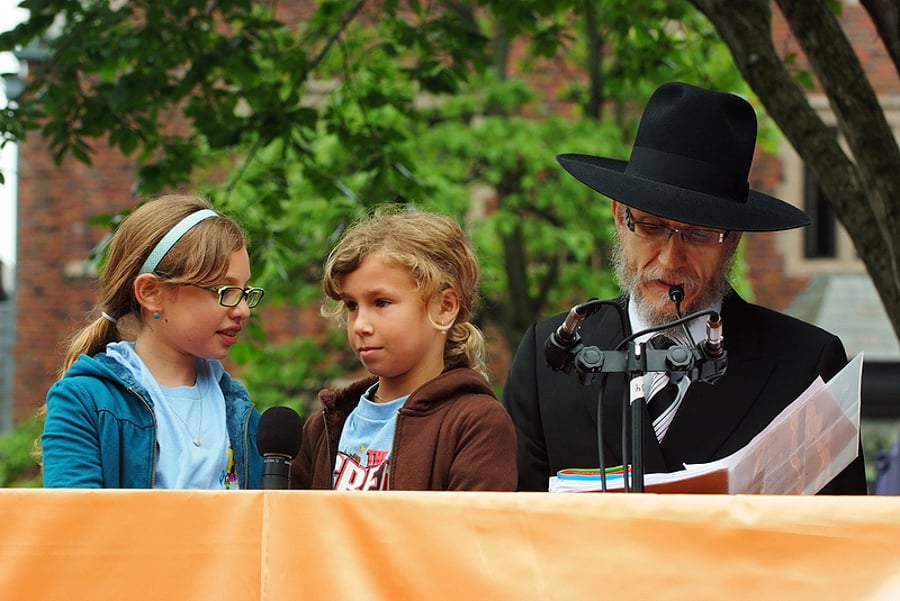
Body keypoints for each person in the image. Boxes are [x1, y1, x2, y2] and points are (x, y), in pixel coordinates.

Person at [502, 81, 867, 494]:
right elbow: (513, 529)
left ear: (732, 239)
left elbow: (838, 537)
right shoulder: (548, 357)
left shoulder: (804, 365)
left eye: (697, 235)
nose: (670, 260)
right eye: (652, 227)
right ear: (620, 217)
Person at [40, 194, 265, 488]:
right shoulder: (83, 402)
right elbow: (75, 525)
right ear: (151, 293)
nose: (243, 310)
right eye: (224, 290)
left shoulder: (243, 414)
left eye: (246, 291)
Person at [290, 206, 517, 491]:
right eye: (351, 306)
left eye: (381, 303)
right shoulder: (323, 426)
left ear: (444, 307)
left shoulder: (476, 423)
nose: (360, 324)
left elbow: (473, 533)